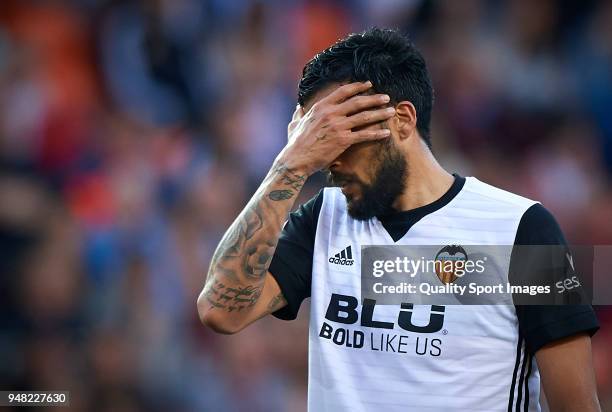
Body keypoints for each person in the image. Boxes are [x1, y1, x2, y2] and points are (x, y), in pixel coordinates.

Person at [197, 28, 600, 411]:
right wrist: (288, 166)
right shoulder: (324, 218)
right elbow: (221, 311)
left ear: (402, 120)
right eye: (317, 142)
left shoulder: (521, 228)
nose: (328, 163)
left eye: (341, 138)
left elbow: (575, 405)